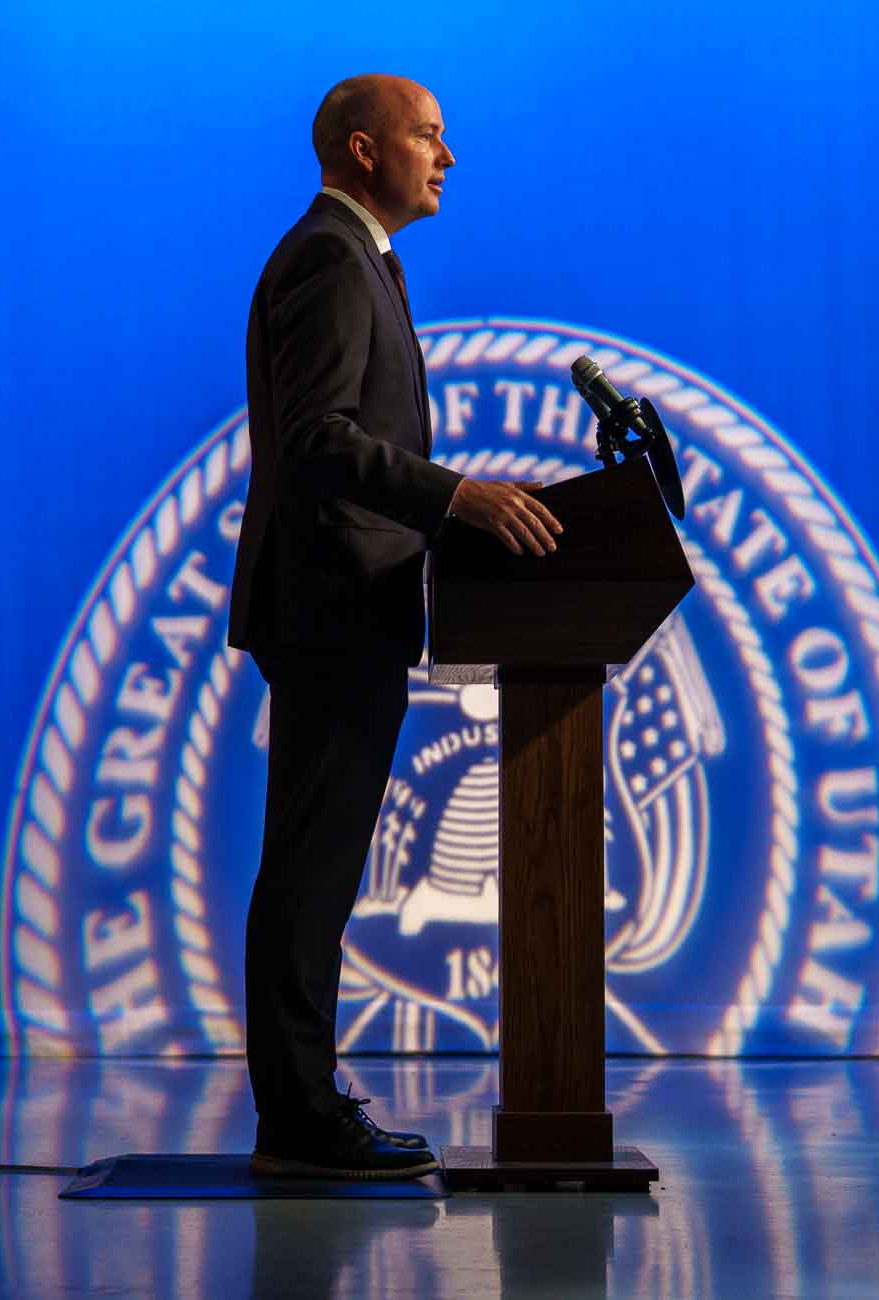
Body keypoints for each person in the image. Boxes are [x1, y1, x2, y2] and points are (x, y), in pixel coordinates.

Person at [228, 74, 563, 1179]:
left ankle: (304, 1107)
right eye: (430, 136)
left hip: (351, 605)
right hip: (330, 607)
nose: (449, 156)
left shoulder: (363, 258)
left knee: (317, 865)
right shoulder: (330, 255)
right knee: (311, 868)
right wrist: (455, 496)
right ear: (365, 150)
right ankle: (302, 1117)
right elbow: (320, 436)